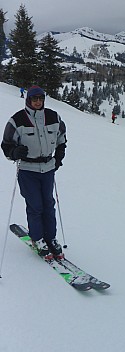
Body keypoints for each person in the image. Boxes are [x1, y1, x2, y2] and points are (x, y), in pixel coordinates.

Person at [1, 86, 67, 260]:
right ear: (28, 100)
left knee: (48, 204)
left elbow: (62, 139)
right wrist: (14, 153)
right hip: (27, 170)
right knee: (35, 206)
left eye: (40, 99)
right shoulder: (17, 120)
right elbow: (6, 145)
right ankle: (38, 239)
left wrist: (58, 157)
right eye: (34, 99)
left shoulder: (53, 117)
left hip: (48, 169)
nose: (38, 102)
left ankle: (51, 238)